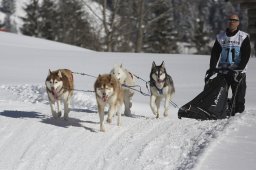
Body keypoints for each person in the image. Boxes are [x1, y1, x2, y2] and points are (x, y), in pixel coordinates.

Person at [206, 14, 251, 115]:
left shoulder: (243, 36)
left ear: (238, 23)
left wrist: (239, 69)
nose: (232, 22)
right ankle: (219, 112)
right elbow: (215, 53)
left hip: (238, 72)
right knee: (219, 95)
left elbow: (246, 55)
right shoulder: (220, 37)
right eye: (230, 20)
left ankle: (237, 115)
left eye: (235, 20)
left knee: (239, 97)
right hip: (223, 71)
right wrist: (212, 67)